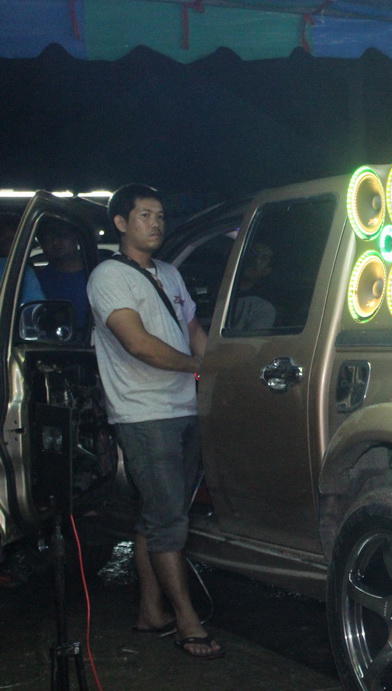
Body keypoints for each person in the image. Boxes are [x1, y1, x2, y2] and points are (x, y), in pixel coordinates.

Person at [86, 184, 223, 660]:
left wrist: (216, 370)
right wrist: (197, 368)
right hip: (144, 412)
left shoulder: (170, 273)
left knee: (158, 515)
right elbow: (137, 343)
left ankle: (151, 611)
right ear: (121, 223)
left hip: (183, 406)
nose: (156, 223)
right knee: (168, 522)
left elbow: (193, 329)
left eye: (160, 215)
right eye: (145, 215)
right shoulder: (108, 276)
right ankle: (187, 622)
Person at [35, 216, 90, 330]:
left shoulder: (100, 270)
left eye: (62, 236)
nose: (56, 243)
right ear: (41, 245)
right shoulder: (38, 281)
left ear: (75, 238)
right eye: (48, 240)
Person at [228, 241, 276, 330]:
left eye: (264, 259)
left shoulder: (261, 307)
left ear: (267, 271)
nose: (256, 261)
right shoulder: (218, 291)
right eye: (252, 254)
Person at [0, 213, 46, 304]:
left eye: (13, 231)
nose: (8, 236)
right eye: (2, 233)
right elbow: (33, 308)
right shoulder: (21, 270)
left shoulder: (25, 271)